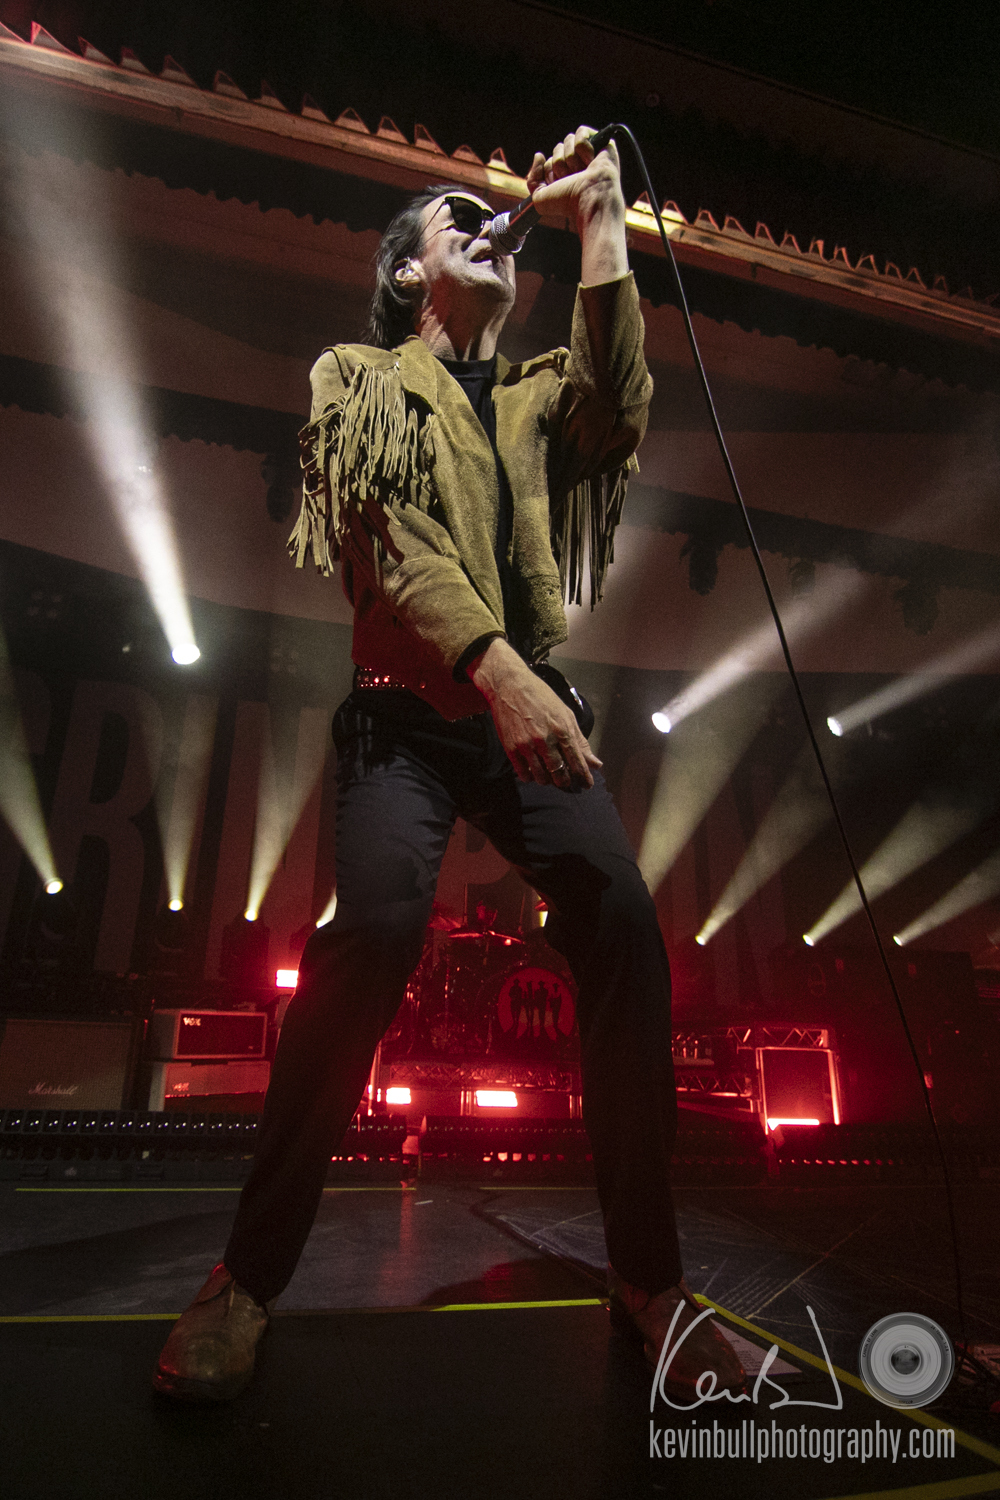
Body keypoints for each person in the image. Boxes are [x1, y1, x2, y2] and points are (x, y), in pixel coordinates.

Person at [153, 127, 744, 1403]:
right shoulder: (357, 374)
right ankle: (244, 1279)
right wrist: (499, 671)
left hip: (513, 707)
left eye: (495, 219)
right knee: (372, 933)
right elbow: (387, 539)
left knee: (623, 925)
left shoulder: (530, 396)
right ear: (406, 272)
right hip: (407, 714)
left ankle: (649, 1284)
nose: (487, 227)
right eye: (453, 219)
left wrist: (601, 226)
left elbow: (615, 408)